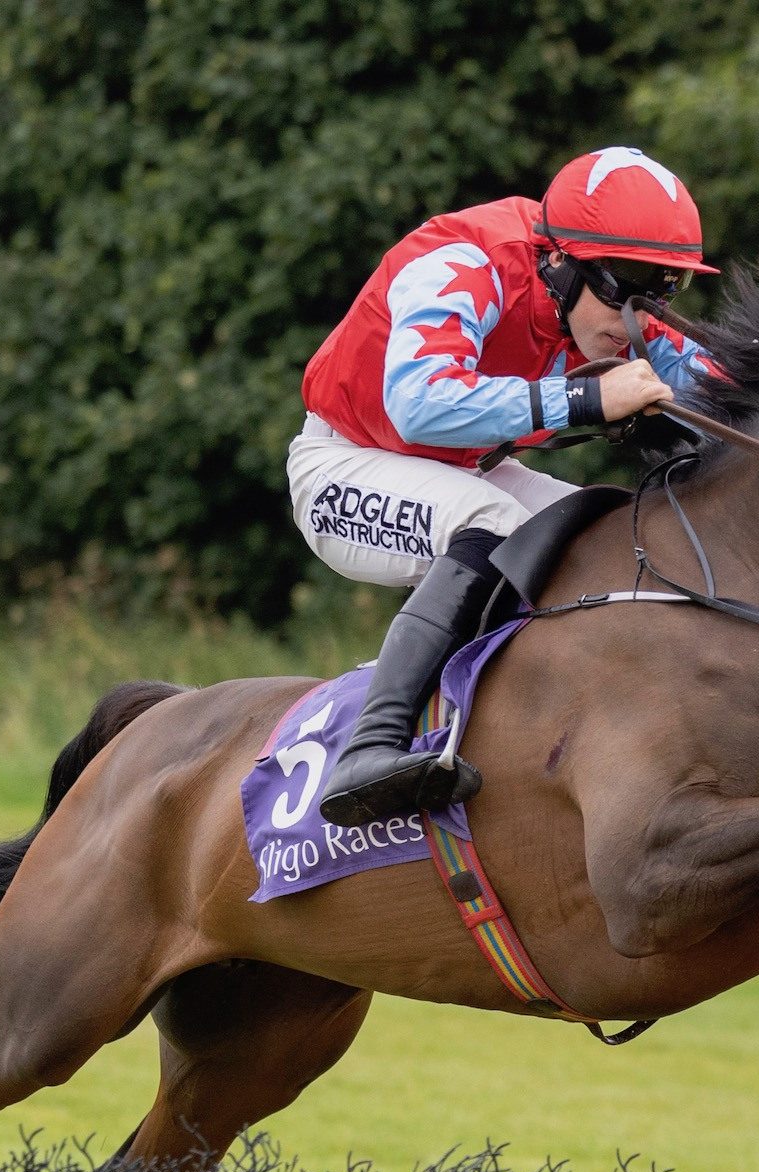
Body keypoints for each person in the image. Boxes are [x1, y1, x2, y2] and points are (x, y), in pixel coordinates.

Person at [291, 146, 718, 827]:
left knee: (605, 531)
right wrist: (586, 402)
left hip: (455, 471)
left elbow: (736, 390)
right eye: (621, 285)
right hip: (342, 465)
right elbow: (420, 402)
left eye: (661, 288)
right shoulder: (467, 263)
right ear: (558, 260)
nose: (633, 315)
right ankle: (368, 750)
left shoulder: (605, 305)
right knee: (489, 518)